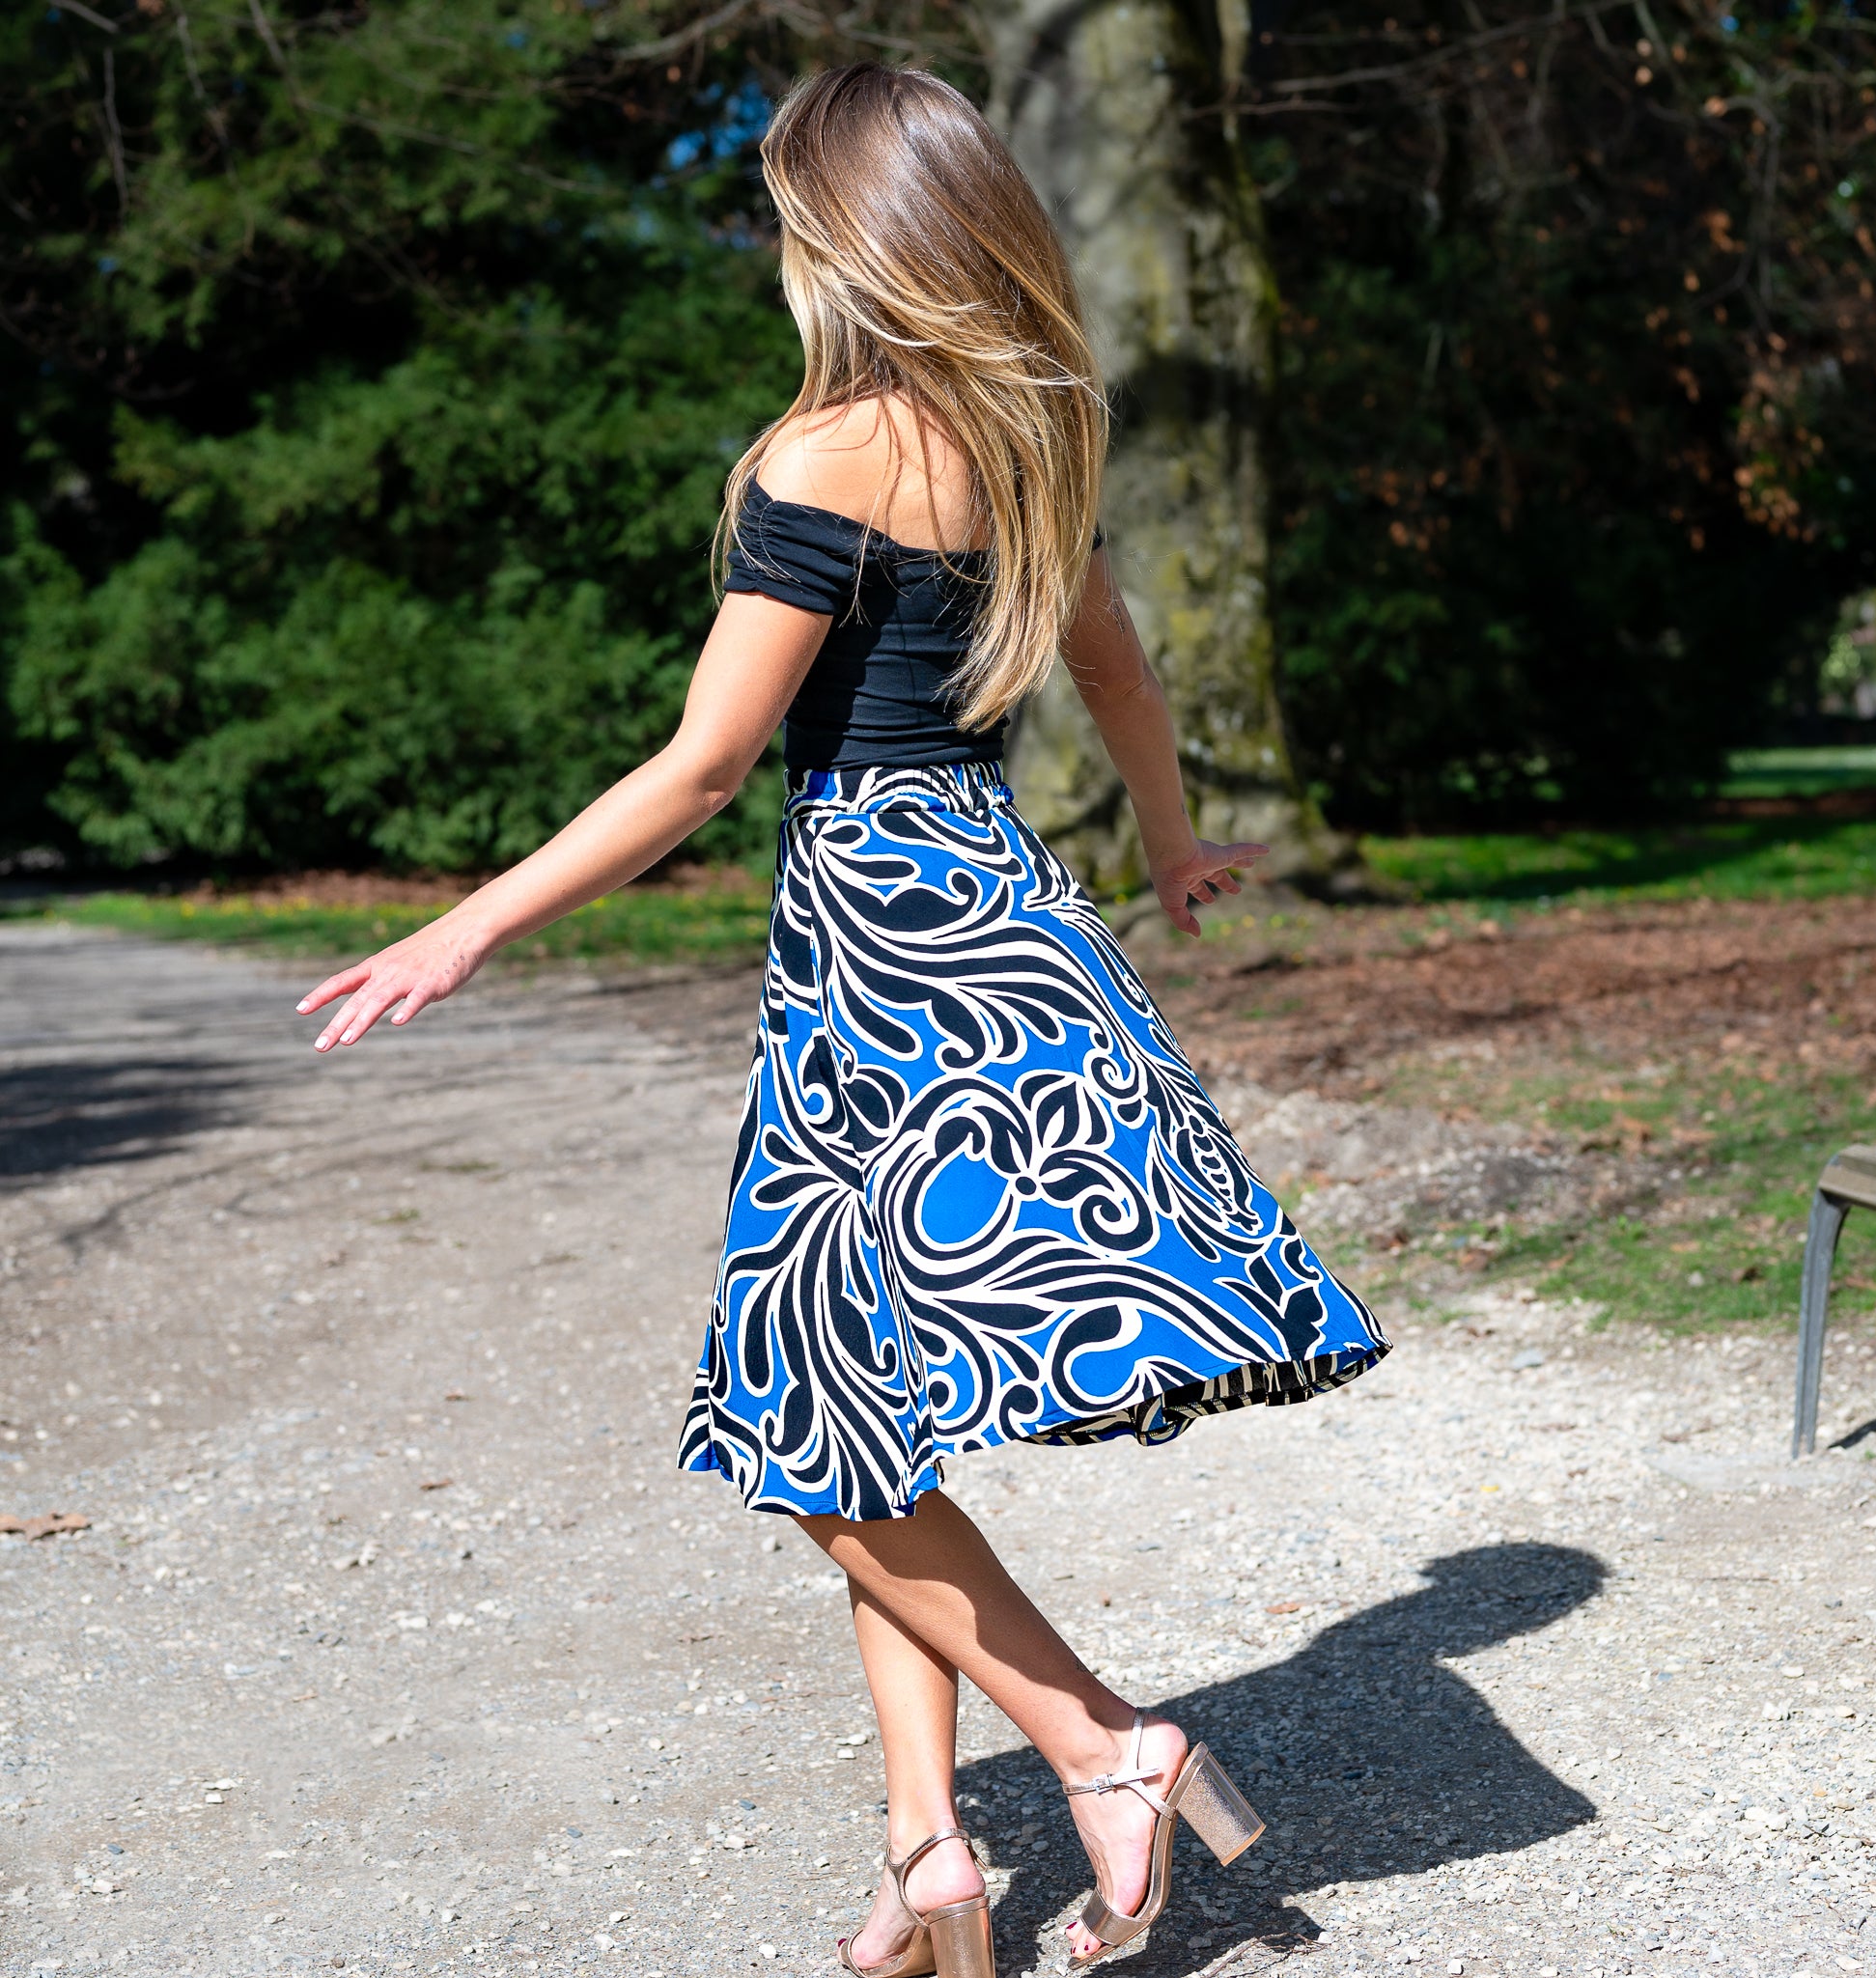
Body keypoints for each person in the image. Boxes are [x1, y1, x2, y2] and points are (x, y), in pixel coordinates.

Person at [296, 62, 1388, 1978]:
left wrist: (467, 924)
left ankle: (1102, 1741)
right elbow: (1120, 674)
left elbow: (708, 764)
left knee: (794, 1405)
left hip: (880, 948)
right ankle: (926, 1847)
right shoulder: (1033, 434)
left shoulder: (822, 456)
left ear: (845, 241)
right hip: (1006, 908)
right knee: (854, 1400)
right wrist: (1169, 845)